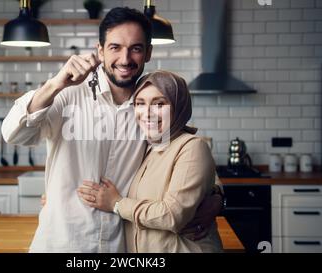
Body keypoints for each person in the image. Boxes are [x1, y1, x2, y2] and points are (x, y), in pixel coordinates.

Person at [2, 7, 223, 253]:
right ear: (100, 51)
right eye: (115, 47)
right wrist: (55, 84)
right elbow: (13, 133)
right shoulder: (68, 93)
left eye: (136, 48)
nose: (125, 59)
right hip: (62, 243)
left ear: (148, 53)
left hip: (120, 247)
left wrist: (217, 196)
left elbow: (188, 158)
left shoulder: (148, 107)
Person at [77, 71, 223, 252]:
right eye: (140, 103)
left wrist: (116, 203)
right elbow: (209, 178)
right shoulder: (146, 146)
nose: (147, 113)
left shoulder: (192, 146)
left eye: (159, 104)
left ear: (179, 106)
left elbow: (172, 216)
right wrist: (217, 195)